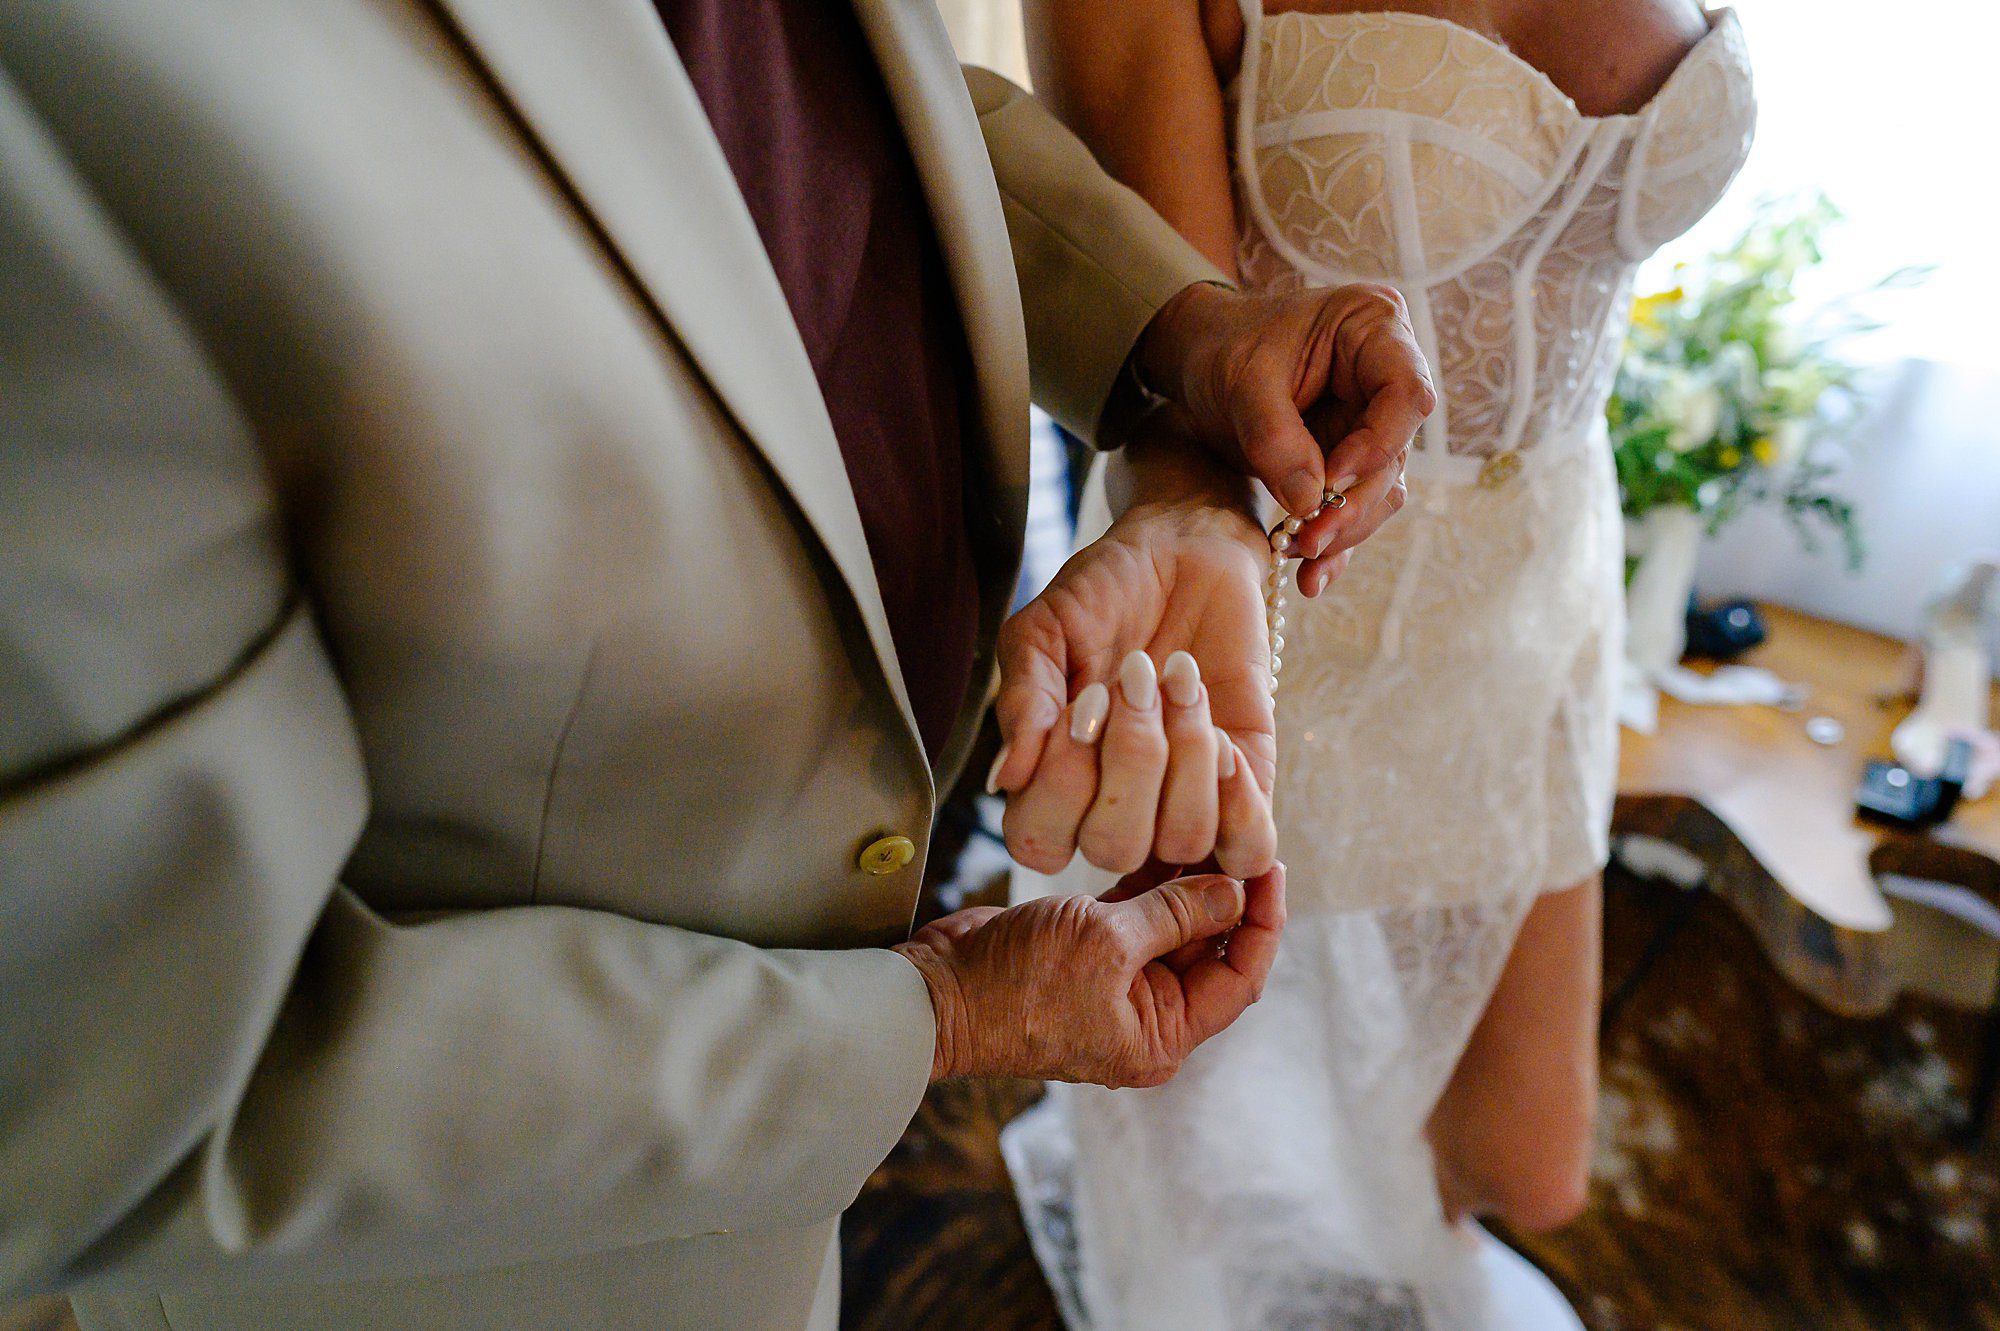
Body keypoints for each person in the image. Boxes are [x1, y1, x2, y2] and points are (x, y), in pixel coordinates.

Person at [0, 2, 1435, 1329]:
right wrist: (934, 1021)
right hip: (493, 1259)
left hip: (801, 1131)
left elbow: (840, 109)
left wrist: (1176, 332)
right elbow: (114, 1099)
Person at [1005, 1, 1755, 1326]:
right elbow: (1163, 352)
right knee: (1213, 1203)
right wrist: (1190, 548)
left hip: (1538, 608)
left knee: (1523, 1167)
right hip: (1277, 611)